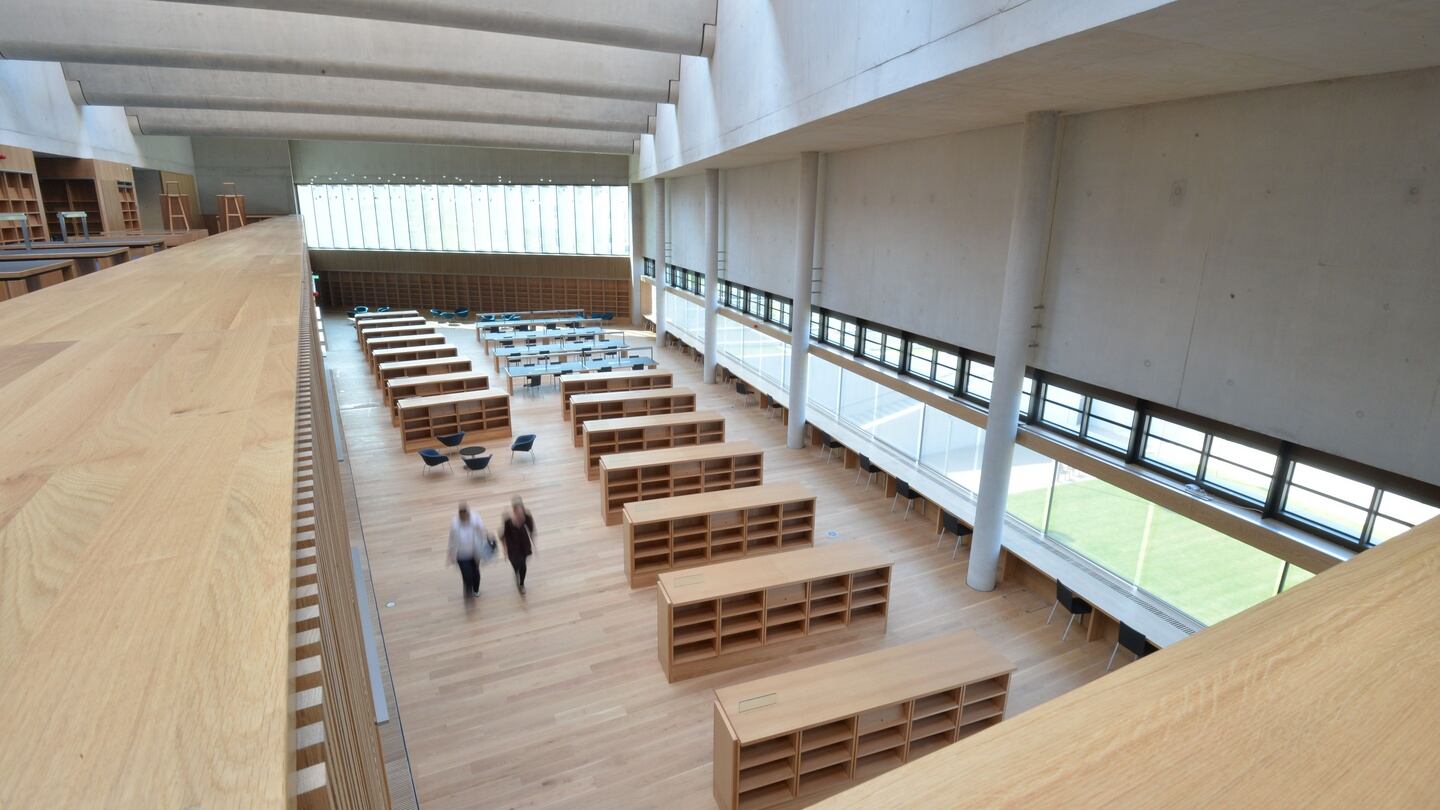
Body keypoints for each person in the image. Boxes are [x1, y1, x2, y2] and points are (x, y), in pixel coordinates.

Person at [446, 502, 487, 597]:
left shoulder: (475, 518)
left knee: (475, 573)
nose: (464, 520)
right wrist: (450, 554)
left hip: (475, 553)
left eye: (466, 517)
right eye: (462, 518)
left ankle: (475, 590)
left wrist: (480, 529)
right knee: (467, 575)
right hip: (461, 555)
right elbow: (451, 539)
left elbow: (483, 531)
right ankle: (468, 593)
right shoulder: (455, 523)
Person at [500, 496, 536, 595]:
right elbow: (503, 535)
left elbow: (531, 529)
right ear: (514, 509)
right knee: (516, 565)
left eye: (520, 508)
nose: (519, 511)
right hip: (512, 547)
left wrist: (534, 543)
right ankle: (516, 573)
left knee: (523, 566)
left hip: (524, 546)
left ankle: (521, 584)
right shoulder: (508, 520)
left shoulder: (527, 516)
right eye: (516, 509)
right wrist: (505, 549)